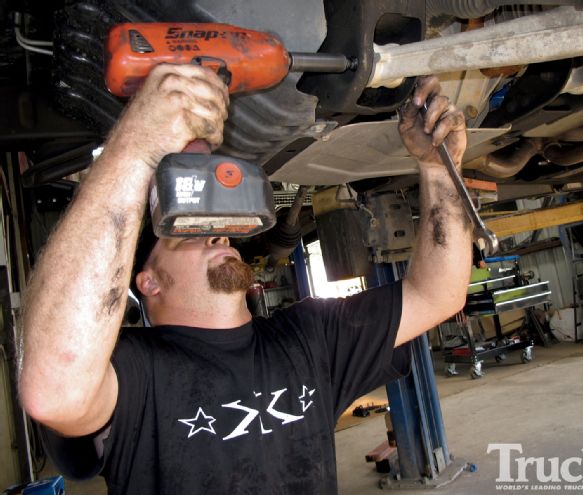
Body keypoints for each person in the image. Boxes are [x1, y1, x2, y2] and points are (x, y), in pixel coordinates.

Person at [18, 64, 472, 494]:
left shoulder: (310, 335)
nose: (215, 231)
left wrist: (439, 169)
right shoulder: (133, 372)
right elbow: (55, 392)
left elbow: (439, 294)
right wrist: (136, 148)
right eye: (188, 232)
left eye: (215, 226)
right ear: (148, 281)